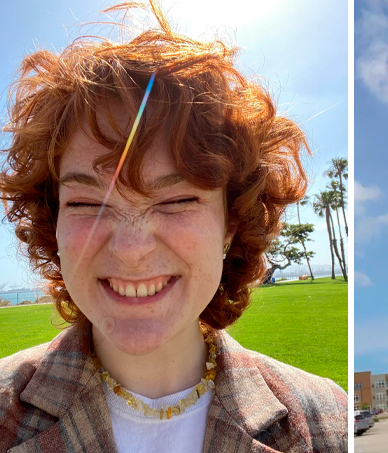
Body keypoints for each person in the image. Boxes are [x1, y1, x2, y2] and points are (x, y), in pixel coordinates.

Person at [0, 2, 347, 452]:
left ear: (231, 224)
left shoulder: (325, 422)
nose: (130, 248)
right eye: (86, 202)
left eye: (179, 200)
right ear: (55, 223)